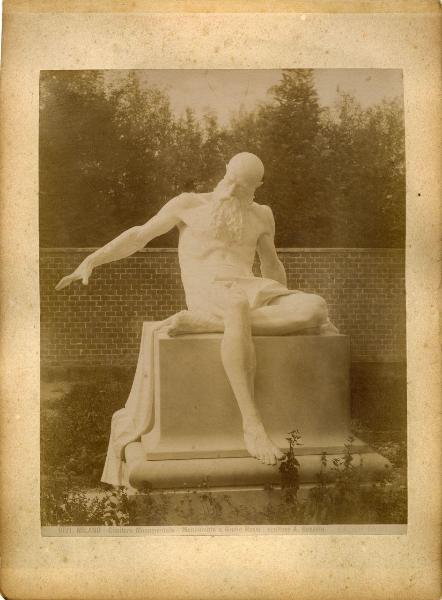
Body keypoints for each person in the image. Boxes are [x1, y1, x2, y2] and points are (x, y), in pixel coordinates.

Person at [56, 152, 338, 467]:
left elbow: (271, 265)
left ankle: (211, 325)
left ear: (257, 186)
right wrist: (91, 260)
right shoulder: (188, 204)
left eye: (241, 186)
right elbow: (139, 236)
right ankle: (252, 423)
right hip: (210, 290)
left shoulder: (261, 215)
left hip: (250, 287)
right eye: (230, 180)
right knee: (236, 305)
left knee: (315, 308)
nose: (231, 189)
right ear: (224, 172)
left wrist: (285, 300)